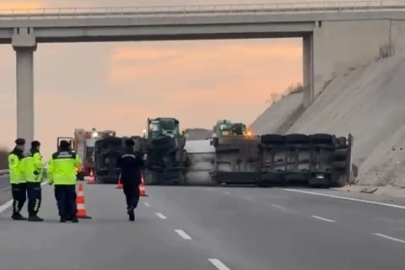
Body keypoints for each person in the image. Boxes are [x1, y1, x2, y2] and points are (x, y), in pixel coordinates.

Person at [48, 140, 82, 223]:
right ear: (68, 146)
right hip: (70, 181)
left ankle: (63, 217)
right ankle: (73, 216)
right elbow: (78, 163)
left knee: (61, 200)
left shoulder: (54, 156)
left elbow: (50, 170)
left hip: (59, 181)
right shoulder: (73, 155)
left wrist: (50, 180)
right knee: (71, 199)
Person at [117, 139, 144, 221]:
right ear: (133, 146)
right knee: (135, 195)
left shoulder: (121, 154)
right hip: (135, 177)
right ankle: (132, 206)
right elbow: (142, 163)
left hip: (125, 177)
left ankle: (129, 207)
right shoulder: (136, 154)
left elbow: (118, 163)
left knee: (127, 194)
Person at [23, 140, 44, 222]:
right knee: (37, 198)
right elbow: (37, 164)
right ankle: (33, 214)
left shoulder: (27, 154)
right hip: (35, 179)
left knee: (31, 198)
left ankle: (30, 214)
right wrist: (43, 163)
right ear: (38, 146)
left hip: (28, 178)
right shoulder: (36, 153)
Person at [8, 138, 27, 220]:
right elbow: (14, 168)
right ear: (17, 145)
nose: (22, 147)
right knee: (17, 198)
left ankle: (17, 212)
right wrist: (17, 180)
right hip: (16, 181)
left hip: (23, 180)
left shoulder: (22, 155)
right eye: (21, 145)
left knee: (23, 198)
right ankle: (15, 213)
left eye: (23, 145)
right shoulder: (13, 155)